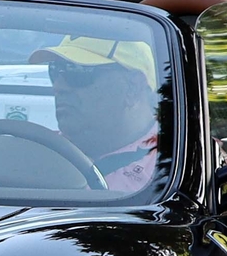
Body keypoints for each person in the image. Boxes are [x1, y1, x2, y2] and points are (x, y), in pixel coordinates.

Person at [34, 36, 163, 193]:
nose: (58, 86)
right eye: (55, 70)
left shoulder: (172, 172)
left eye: (77, 72)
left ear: (133, 87)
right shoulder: (37, 153)